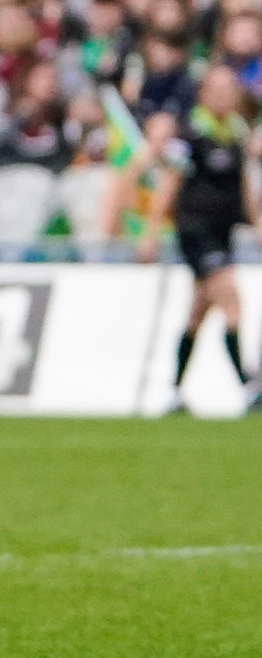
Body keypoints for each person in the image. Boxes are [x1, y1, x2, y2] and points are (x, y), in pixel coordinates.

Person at [144, 67, 262, 414]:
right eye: (218, 89)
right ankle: (248, 386)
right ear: (204, 94)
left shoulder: (237, 134)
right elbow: (169, 183)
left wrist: (256, 224)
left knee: (198, 312)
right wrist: (152, 232)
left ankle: (175, 392)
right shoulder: (190, 134)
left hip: (223, 234)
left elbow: (244, 188)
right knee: (232, 303)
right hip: (196, 232)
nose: (225, 96)